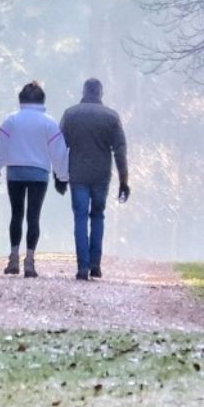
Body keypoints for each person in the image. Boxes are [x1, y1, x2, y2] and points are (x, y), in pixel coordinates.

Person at [0, 81, 69, 277]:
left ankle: (13, 257)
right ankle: (30, 261)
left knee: (16, 215)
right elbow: (59, 152)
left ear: (21, 100)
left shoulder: (11, 121)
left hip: (15, 172)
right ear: (42, 100)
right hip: (39, 174)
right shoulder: (49, 123)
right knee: (33, 217)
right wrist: (62, 176)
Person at [58, 77, 129, 281]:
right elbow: (120, 150)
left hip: (77, 174)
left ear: (83, 91)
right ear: (101, 93)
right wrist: (124, 179)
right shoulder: (111, 117)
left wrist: (60, 175)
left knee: (80, 217)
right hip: (101, 175)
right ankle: (96, 264)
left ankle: (83, 266)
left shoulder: (70, 114)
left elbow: (60, 148)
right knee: (97, 216)